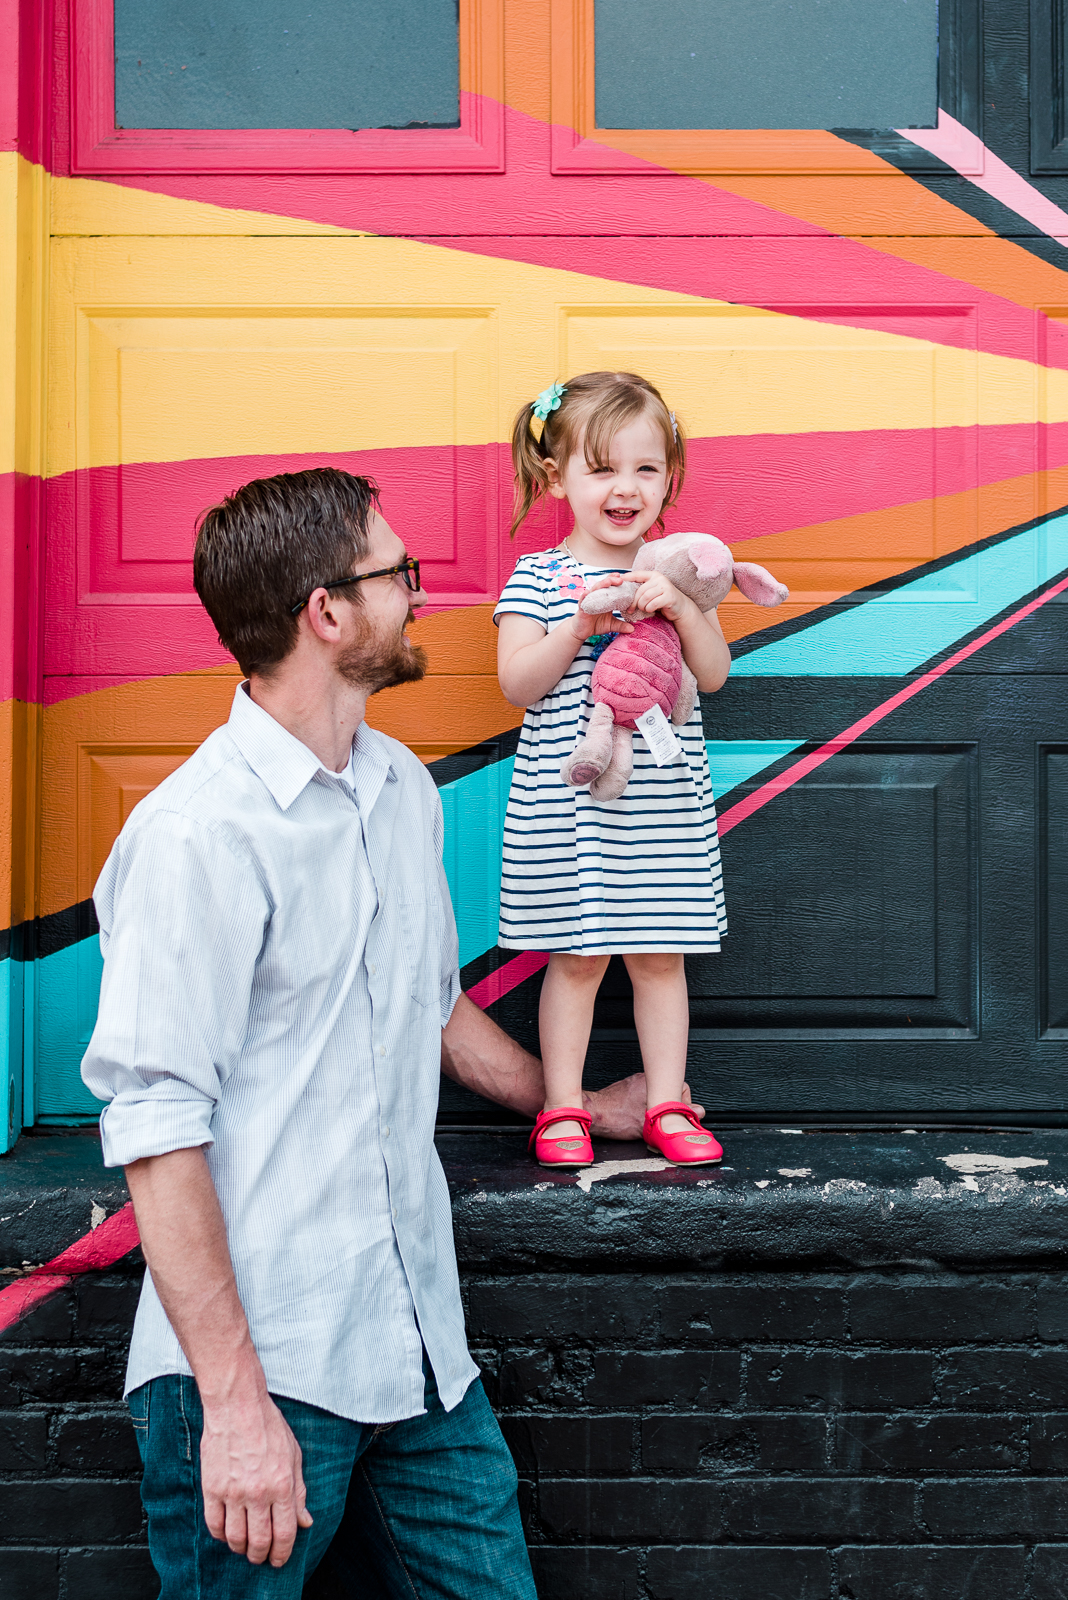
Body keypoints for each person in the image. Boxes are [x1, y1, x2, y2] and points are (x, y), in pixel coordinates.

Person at [80, 467, 659, 1599]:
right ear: (326, 612)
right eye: (399, 572)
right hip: (258, 1371)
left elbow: (432, 1007)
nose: (421, 593)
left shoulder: (400, 789)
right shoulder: (196, 837)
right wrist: (238, 1408)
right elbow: (156, 1131)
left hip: (421, 1357)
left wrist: (572, 1102)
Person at [495, 372, 731, 1171]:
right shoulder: (538, 577)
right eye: (602, 469)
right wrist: (576, 628)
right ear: (554, 477)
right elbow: (516, 683)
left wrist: (686, 610)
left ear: (670, 476)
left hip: (660, 808)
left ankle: (666, 1098)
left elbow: (715, 676)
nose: (625, 490)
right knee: (578, 955)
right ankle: (564, 1105)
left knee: (661, 956)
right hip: (571, 811)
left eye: (646, 469)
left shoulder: (679, 571)